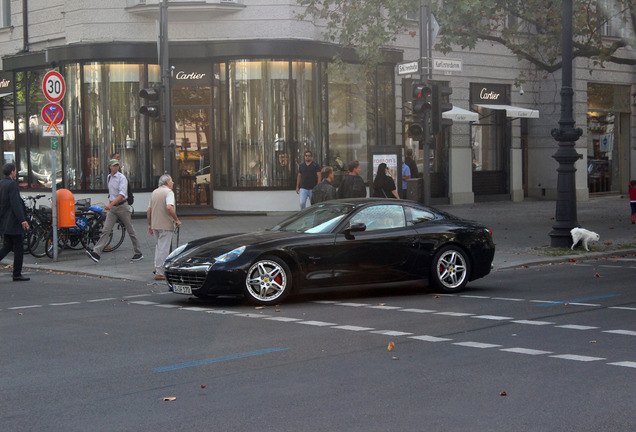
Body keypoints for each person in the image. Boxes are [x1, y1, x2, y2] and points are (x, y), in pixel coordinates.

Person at [86, 159, 143, 263]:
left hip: (122, 207)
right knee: (105, 230)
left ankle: (138, 252)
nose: (116, 167)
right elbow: (111, 194)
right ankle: (96, 253)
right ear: (110, 167)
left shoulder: (122, 178)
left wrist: (110, 204)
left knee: (130, 230)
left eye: (117, 165)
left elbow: (122, 195)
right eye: (114, 166)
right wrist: (110, 204)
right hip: (113, 208)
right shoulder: (109, 177)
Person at [147, 174, 181, 280]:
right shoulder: (169, 192)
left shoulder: (154, 192)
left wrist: (150, 224)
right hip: (165, 224)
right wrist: (176, 219)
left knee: (159, 246)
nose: (173, 182)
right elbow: (169, 207)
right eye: (171, 180)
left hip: (155, 224)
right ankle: (160, 272)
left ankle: (156, 266)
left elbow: (149, 210)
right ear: (167, 182)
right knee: (164, 248)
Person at [0, 163, 30, 281]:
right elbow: (15, 203)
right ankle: (17, 273)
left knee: (7, 246)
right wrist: (22, 220)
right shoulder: (12, 184)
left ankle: (17, 273)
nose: (16, 172)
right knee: (18, 248)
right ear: (12, 171)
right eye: (15, 170)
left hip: (4, 221)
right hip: (13, 221)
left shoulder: (1, 183)